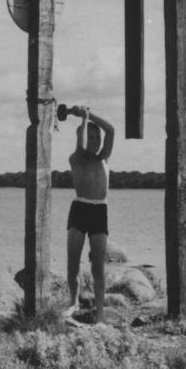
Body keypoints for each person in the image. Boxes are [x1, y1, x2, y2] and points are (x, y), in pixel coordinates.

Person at [64, 106, 114, 324]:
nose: (93, 141)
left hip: (99, 211)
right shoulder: (76, 158)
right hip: (79, 210)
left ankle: (100, 311)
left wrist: (90, 115)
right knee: (73, 264)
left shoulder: (103, 158)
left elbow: (111, 131)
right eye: (89, 137)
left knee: (98, 266)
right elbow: (82, 144)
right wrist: (82, 120)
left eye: (96, 138)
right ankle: (72, 303)